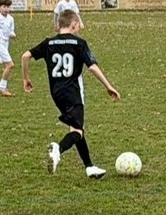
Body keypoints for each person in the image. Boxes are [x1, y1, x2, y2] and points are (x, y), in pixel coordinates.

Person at [22, 9, 120, 179]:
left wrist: (26, 79)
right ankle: (58, 149)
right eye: (78, 26)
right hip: (73, 92)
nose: (79, 29)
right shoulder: (79, 44)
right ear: (74, 25)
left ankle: (89, 167)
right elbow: (92, 67)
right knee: (78, 131)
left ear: (59, 25)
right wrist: (108, 86)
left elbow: (25, 56)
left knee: (76, 128)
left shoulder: (48, 43)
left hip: (56, 93)